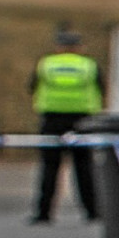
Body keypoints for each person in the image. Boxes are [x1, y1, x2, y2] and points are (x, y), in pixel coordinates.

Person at [28, 25, 102, 225]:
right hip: (82, 120)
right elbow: (100, 88)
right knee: (84, 168)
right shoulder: (89, 65)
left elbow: (32, 87)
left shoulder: (46, 64)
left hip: (51, 118)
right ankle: (92, 211)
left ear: (58, 47)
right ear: (79, 47)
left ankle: (43, 213)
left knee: (50, 167)